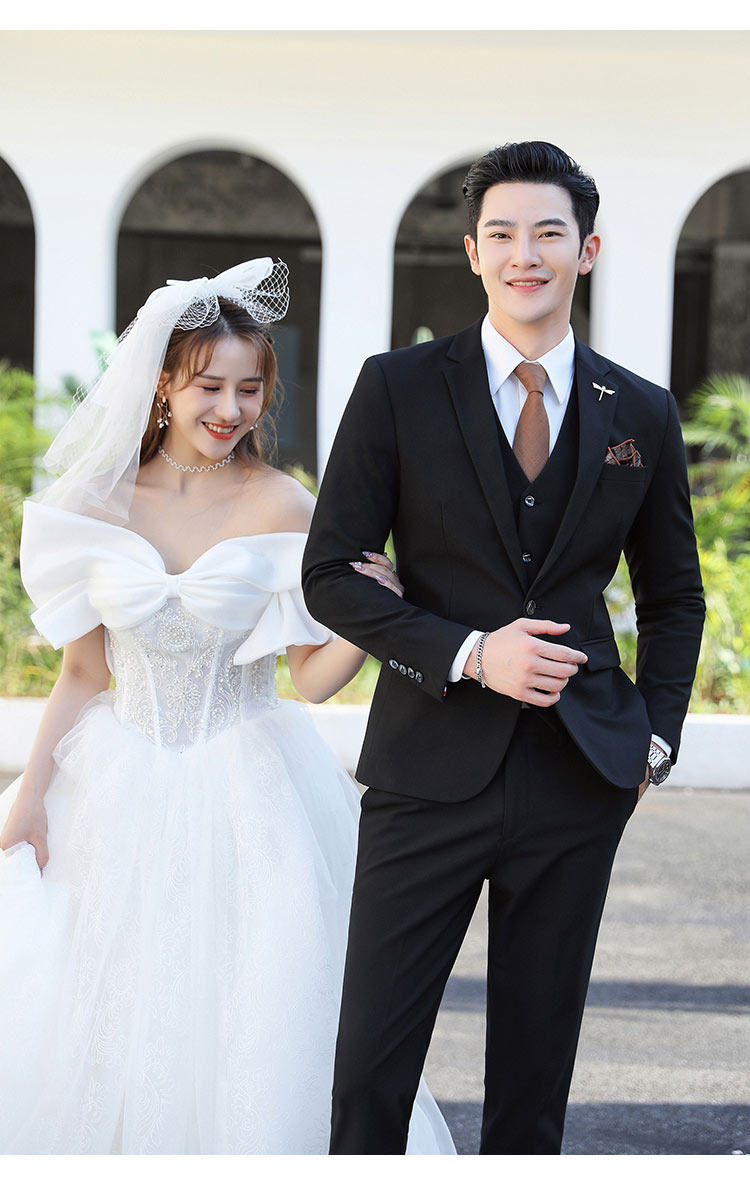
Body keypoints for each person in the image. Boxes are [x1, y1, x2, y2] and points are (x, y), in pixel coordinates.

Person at [302, 141, 706, 1155]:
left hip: (579, 773)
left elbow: (675, 596)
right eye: (503, 234)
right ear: (475, 253)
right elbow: (331, 573)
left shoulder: (641, 411)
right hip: (425, 769)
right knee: (370, 1071)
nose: (526, 254)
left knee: (534, 1085)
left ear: (587, 250)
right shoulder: (397, 387)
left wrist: (654, 738)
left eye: (548, 233)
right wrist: (471, 652)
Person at [0, 259, 455, 1155]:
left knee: (257, 1008)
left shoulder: (284, 505)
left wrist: (379, 615)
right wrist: (31, 797)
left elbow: (309, 677)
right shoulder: (95, 504)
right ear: (162, 383)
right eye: (208, 384)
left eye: (250, 388)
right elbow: (84, 673)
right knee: (105, 1002)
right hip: (117, 783)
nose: (231, 408)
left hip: (249, 787)